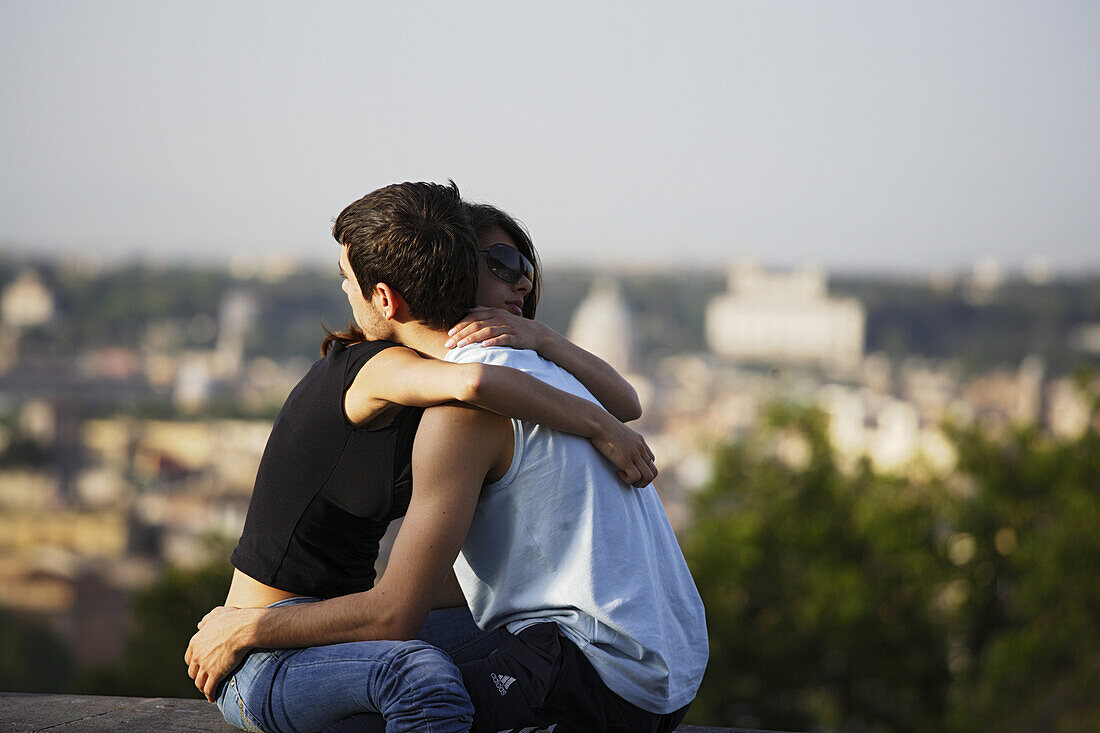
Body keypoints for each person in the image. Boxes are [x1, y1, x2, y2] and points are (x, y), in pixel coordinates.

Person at [185, 181, 657, 733]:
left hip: (333, 632)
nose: (345, 292)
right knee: (419, 675)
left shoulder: (451, 378)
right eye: (499, 264)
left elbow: (623, 403)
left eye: (348, 281)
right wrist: (242, 630)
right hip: (267, 649)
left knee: (533, 639)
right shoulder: (373, 368)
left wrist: (542, 339)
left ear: (385, 298)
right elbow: (477, 381)